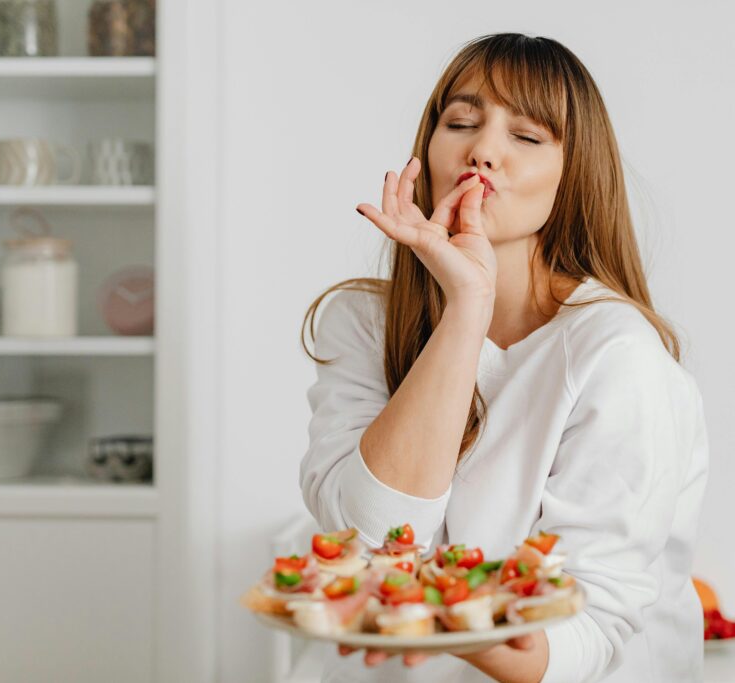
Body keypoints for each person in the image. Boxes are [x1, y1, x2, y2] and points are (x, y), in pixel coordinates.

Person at [299, 32, 708, 683]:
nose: (482, 150)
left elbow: (583, 633)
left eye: (527, 136)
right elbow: (372, 539)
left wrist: (418, 617)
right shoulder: (362, 322)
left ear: (573, 173)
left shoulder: (619, 354)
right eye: (460, 122)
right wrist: (466, 310)